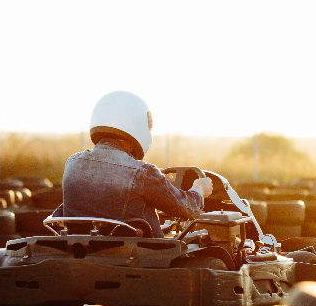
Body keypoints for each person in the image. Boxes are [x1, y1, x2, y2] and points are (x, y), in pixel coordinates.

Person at [59, 91, 212, 237]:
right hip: (142, 256)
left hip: (80, 251)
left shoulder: (72, 164)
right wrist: (199, 189)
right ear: (137, 125)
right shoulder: (142, 173)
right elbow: (185, 208)